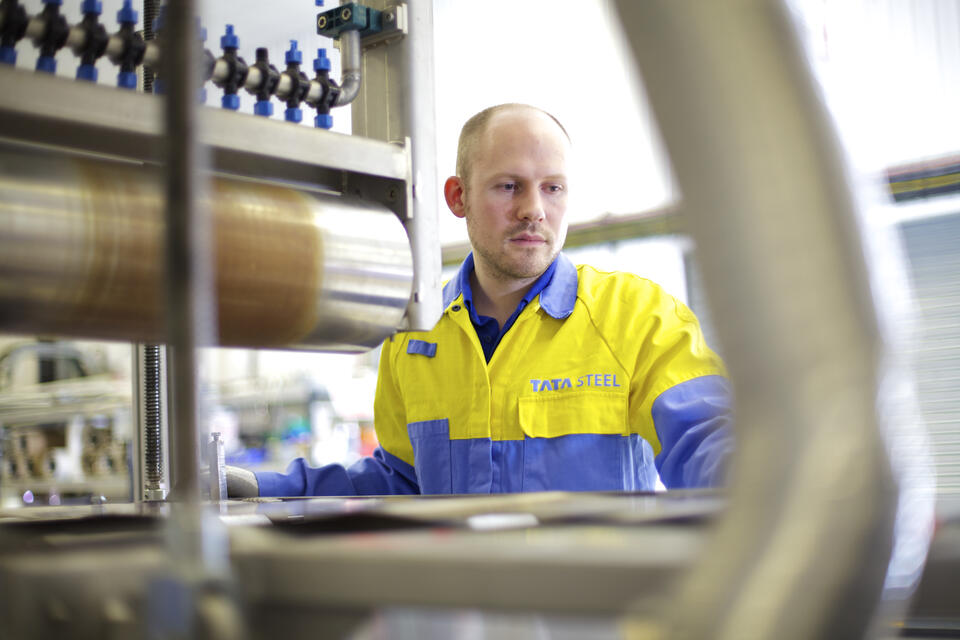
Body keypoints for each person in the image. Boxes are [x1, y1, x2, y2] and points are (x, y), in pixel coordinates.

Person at [228, 103, 732, 498]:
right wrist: (262, 489)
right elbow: (400, 483)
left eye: (552, 188)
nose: (534, 210)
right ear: (458, 198)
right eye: (509, 186)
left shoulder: (636, 316)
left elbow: (708, 438)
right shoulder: (416, 336)